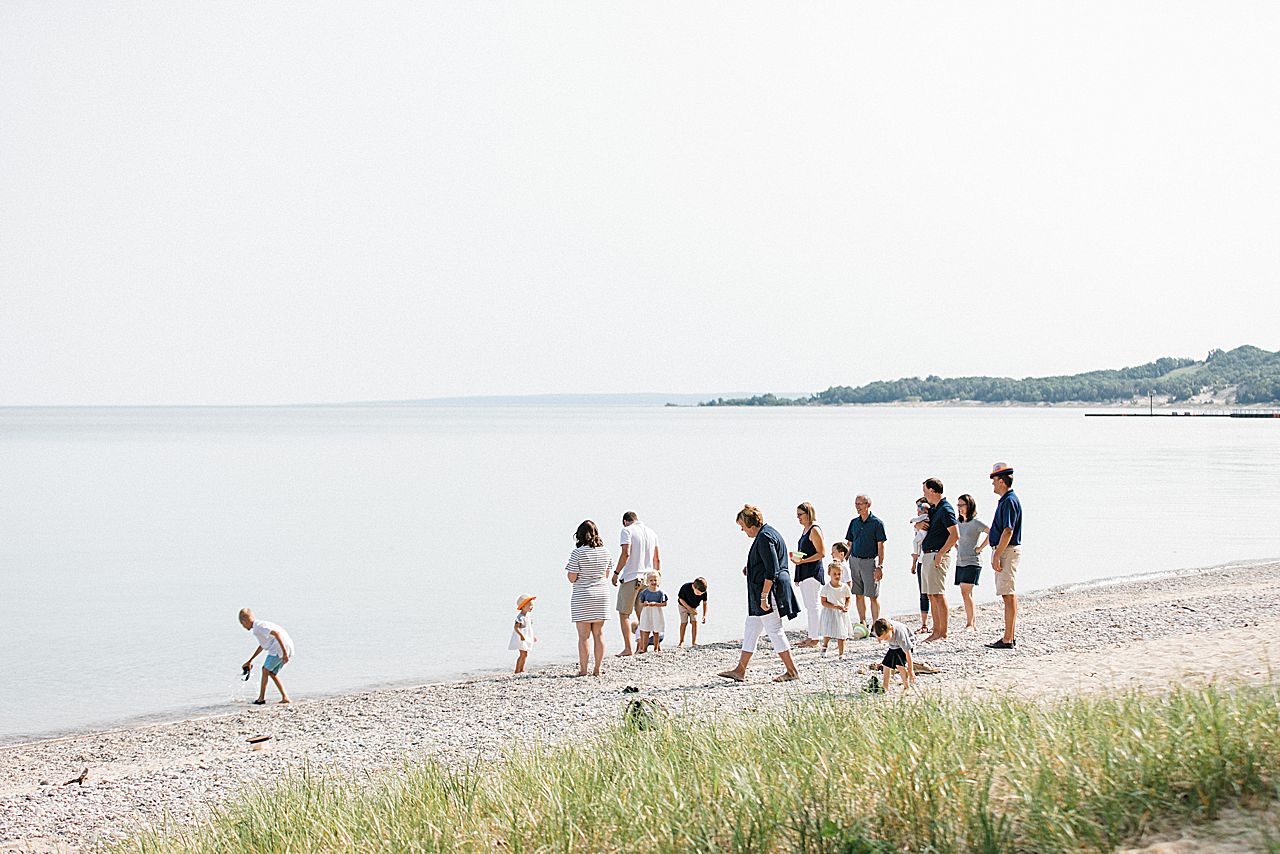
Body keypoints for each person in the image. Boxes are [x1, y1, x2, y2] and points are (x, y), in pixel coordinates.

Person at [717, 504, 802, 683]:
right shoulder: (768, 533)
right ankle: (740, 670)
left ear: (750, 523)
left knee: (774, 629)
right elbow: (767, 562)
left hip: (768, 592)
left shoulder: (764, 537)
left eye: (742, 526)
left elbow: (772, 570)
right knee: (751, 626)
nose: (742, 530)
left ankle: (792, 671)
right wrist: (751, 569)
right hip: (762, 591)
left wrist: (764, 597)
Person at [567, 520, 613, 676]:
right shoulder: (605, 552)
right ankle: (597, 669)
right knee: (599, 634)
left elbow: (572, 577)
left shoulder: (577, 553)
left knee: (583, 637)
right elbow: (606, 575)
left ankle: (584, 670)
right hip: (601, 595)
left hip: (583, 595)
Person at [611, 511, 661, 657]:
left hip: (631, 576)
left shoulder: (626, 531)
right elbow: (657, 558)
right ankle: (643, 646)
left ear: (625, 521)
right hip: (648, 577)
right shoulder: (652, 533)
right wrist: (657, 576)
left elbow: (626, 553)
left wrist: (616, 573)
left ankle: (628, 648)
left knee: (624, 613)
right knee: (643, 614)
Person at [985, 463, 1023, 650]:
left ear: (1001, 480)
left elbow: (1008, 530)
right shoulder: (1007, 500)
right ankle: (1009, 636)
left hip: (1007, 550)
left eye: (994, 480)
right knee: (1007, 594)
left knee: (1008, 594)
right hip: (1006, 549)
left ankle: (1008, 638)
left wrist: (997, 555)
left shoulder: (1009, 501)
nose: (992, 484)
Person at [919, 479, 959, 642]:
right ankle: (936, 630)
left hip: (937, 554)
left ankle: (942, 632)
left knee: (938, 593)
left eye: (925, 491)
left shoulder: (946, 509)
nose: (924, 494)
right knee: (931, 594)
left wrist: (941, 553)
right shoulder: (936, 510)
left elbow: (955, 534)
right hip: (928, 553)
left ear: (933, 491)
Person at [843, 495, 887, 627]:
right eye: (856, 504)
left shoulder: (877, 523)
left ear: (868, 505)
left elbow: (881, 546)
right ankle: (862, 622)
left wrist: (880, 566)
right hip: (854, 561)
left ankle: (876, 624)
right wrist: (843, 561)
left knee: (873, 595)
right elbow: (849, 543)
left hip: (870, 562)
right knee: (858, 594)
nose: (857, 506)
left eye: (860, 504)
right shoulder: (854, 522)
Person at [238, 608, 294, 705]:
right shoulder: (259, 626)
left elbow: (277, 633)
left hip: (280, 648)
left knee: (265, 670)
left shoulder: (258, 627)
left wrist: (284, 653)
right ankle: (285, 698)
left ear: (244, 621)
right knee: (271, 673)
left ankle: (261, 699)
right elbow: (262, 646)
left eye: (242, 624)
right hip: (285, 647)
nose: (243, 627)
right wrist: (250, 661)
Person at [791, 502, 826, 648]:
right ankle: (812, 636)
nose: (798, 518)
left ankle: (816, 638)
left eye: (800, 514)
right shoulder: (805, 530)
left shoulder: (814, 530)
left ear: (808, 514)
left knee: (813, 606)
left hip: (812, 572)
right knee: (810, 606)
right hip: (805, 572)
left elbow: (821, 553)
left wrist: (804, 561)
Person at [954, 493, 990, 631]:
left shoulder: (976, 522)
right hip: (960, 561)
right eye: (958, 505)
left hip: (973, 561)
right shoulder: (958, 523)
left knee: (965, 591)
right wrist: (955, 546)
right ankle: (972, 622)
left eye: (962, 505)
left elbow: (991, 532)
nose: (959, 508)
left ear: (969, 506)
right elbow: (952, 536)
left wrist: (980, 548)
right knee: (966, 592)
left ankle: (970, 624)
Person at [870, 617, 925, 693]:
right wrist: (879, 638)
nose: (884, 640)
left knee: (900, 665)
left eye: (886, 638)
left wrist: (911, 671)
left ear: (891, 629)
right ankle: (885, 687)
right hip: (894, 645)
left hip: (907, 643)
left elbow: (908, 654)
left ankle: (907, 687)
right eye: (882, 638)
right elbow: (877, 629)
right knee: (886, 665)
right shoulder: (878, 628)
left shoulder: (900, 635)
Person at [818, 562, 853, 658]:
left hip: (841, 613)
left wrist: (847, 606)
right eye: (834, 574)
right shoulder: (826, 588)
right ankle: (824, 648)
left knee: (842, 634)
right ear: (829, 574)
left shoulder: (845, 587)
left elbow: (848, 598)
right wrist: (834, 606)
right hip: (829, 612)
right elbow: (823, 602)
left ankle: (841, 654)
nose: (837, 576)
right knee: (828, 632)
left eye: (839, 574)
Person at [909, 499, 931, 632]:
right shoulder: (919, 523)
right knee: (923, 593)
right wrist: (913, 563)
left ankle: (933, 624)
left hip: (929, 558)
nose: (918, 510)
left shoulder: (927, 519)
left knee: (932, 593)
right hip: (921, 560)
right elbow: (916, 546)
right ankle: (924, 623)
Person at [636, 571, 668, 653]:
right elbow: (640, 603)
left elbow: (664, 603)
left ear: (658, 581)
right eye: (651, 580)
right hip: (647, 612)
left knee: (656, 631)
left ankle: (656, 648)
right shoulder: (644, 592)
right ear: (647, 582)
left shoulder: (661, 592)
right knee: (646, 630)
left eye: (655, 580)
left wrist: (656, 604)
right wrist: (645, 604)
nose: (653, 582)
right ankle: (644, 648)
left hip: (656, 612)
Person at [677, 577, 709, 646]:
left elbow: (705, 603)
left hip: (694, 607)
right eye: (698, 593)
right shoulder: (685, 587)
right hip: (683, 606)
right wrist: (689, 608)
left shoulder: (703, 592)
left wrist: (704, 615)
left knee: (695, 622)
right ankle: (681, 641)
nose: (700, 595)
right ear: (693, 587)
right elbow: (680, 599)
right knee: (684, 622)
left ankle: (694, 642)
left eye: (701, 593)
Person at [509, 595, 537, 673]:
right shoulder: (520, 617)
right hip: (521, 638)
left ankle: (522, 669)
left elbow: (529, 627)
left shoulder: (528, 616)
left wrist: (533, 636)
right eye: (530, 605)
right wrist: (521, 635)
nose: (532, 607)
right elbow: (516, 627)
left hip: (526, 637)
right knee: (522, 654)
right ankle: (517, 670)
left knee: (525, 654)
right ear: (523, 606)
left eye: (532, 605)